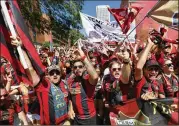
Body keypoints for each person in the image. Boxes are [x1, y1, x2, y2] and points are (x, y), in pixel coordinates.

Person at [10, 36, 71, 125]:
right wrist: (22, 48)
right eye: (51, 73)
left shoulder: (65, 84)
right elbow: (30, 69)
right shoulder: (44, 85)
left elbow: (69, 100)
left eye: (57, 72)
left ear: (61, 74)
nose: (54, 74)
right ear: (48, 76)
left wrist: (70, 111)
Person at [67, 47, 99, 125]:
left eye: (80, 67)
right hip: (77, 118)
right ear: (73, 70)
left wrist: (83, 58)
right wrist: (70, 109)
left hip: (89, 119)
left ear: (84, 68)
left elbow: (95, 76)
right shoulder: (70, 81)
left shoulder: (87, 79)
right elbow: (71, 96)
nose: (78, 69)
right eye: (75, 67)